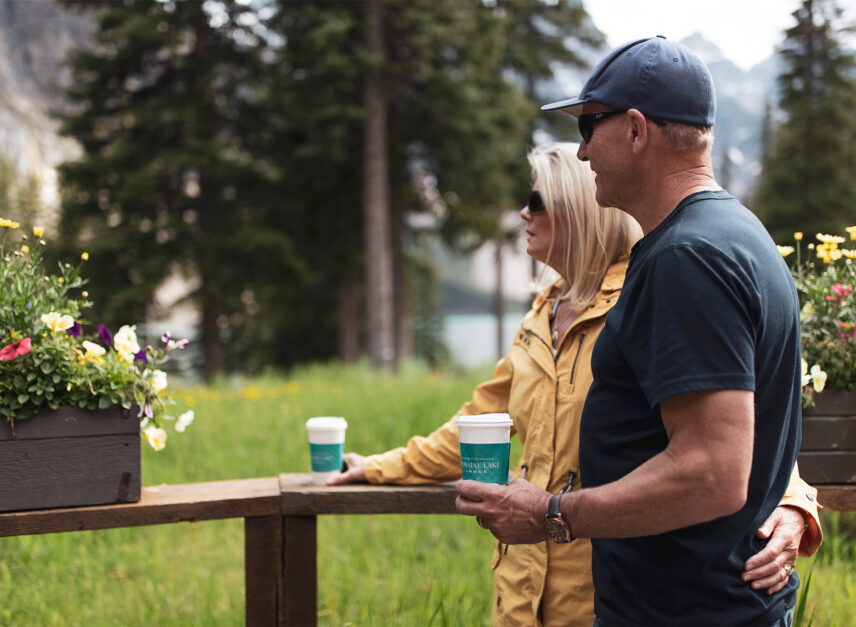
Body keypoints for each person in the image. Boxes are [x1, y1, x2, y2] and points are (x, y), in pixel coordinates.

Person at [331, 141, 822, 625]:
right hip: (523, 598)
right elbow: (478, 422)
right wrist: (377, 467)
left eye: (537, 200)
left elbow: (744, 422)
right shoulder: (542, 314)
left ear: (579, 207)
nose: (523, 213)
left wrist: (795, 505)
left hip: (607, 596)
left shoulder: (653, 293)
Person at [456, 36, 820, 626]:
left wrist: (553, 514)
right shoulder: (738, 233)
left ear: (635, 130)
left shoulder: (688, 257)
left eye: (588, 128)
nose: (580, 154)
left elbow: (711, 472)